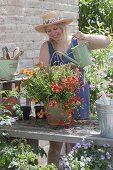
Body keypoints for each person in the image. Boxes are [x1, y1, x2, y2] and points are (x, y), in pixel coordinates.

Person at [35, 11, 110, 168]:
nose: (53, 33)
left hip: (79, 96)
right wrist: (65, 68)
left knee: (76, 143)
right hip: (59, 99)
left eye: (56, 28)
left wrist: (85, 38)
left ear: (63, 26)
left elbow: (106, 41)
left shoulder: (77, 41)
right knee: (55, 145)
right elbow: (42, 72)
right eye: (49, 30)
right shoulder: (46, 46)